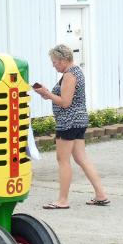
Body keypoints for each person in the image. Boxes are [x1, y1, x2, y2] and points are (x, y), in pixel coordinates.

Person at [32, 44, 109, 209]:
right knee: (81, 158)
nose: (53, 65)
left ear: (63, 59)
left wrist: (47, 94)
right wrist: (49, 95)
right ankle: (101, 194)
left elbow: (66, 103)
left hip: (68, 122)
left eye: (55, 62)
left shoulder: (69, 75)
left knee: (63, 160)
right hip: (79, 120)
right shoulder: (76, 72)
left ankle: (62, 200)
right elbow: (65, 98)